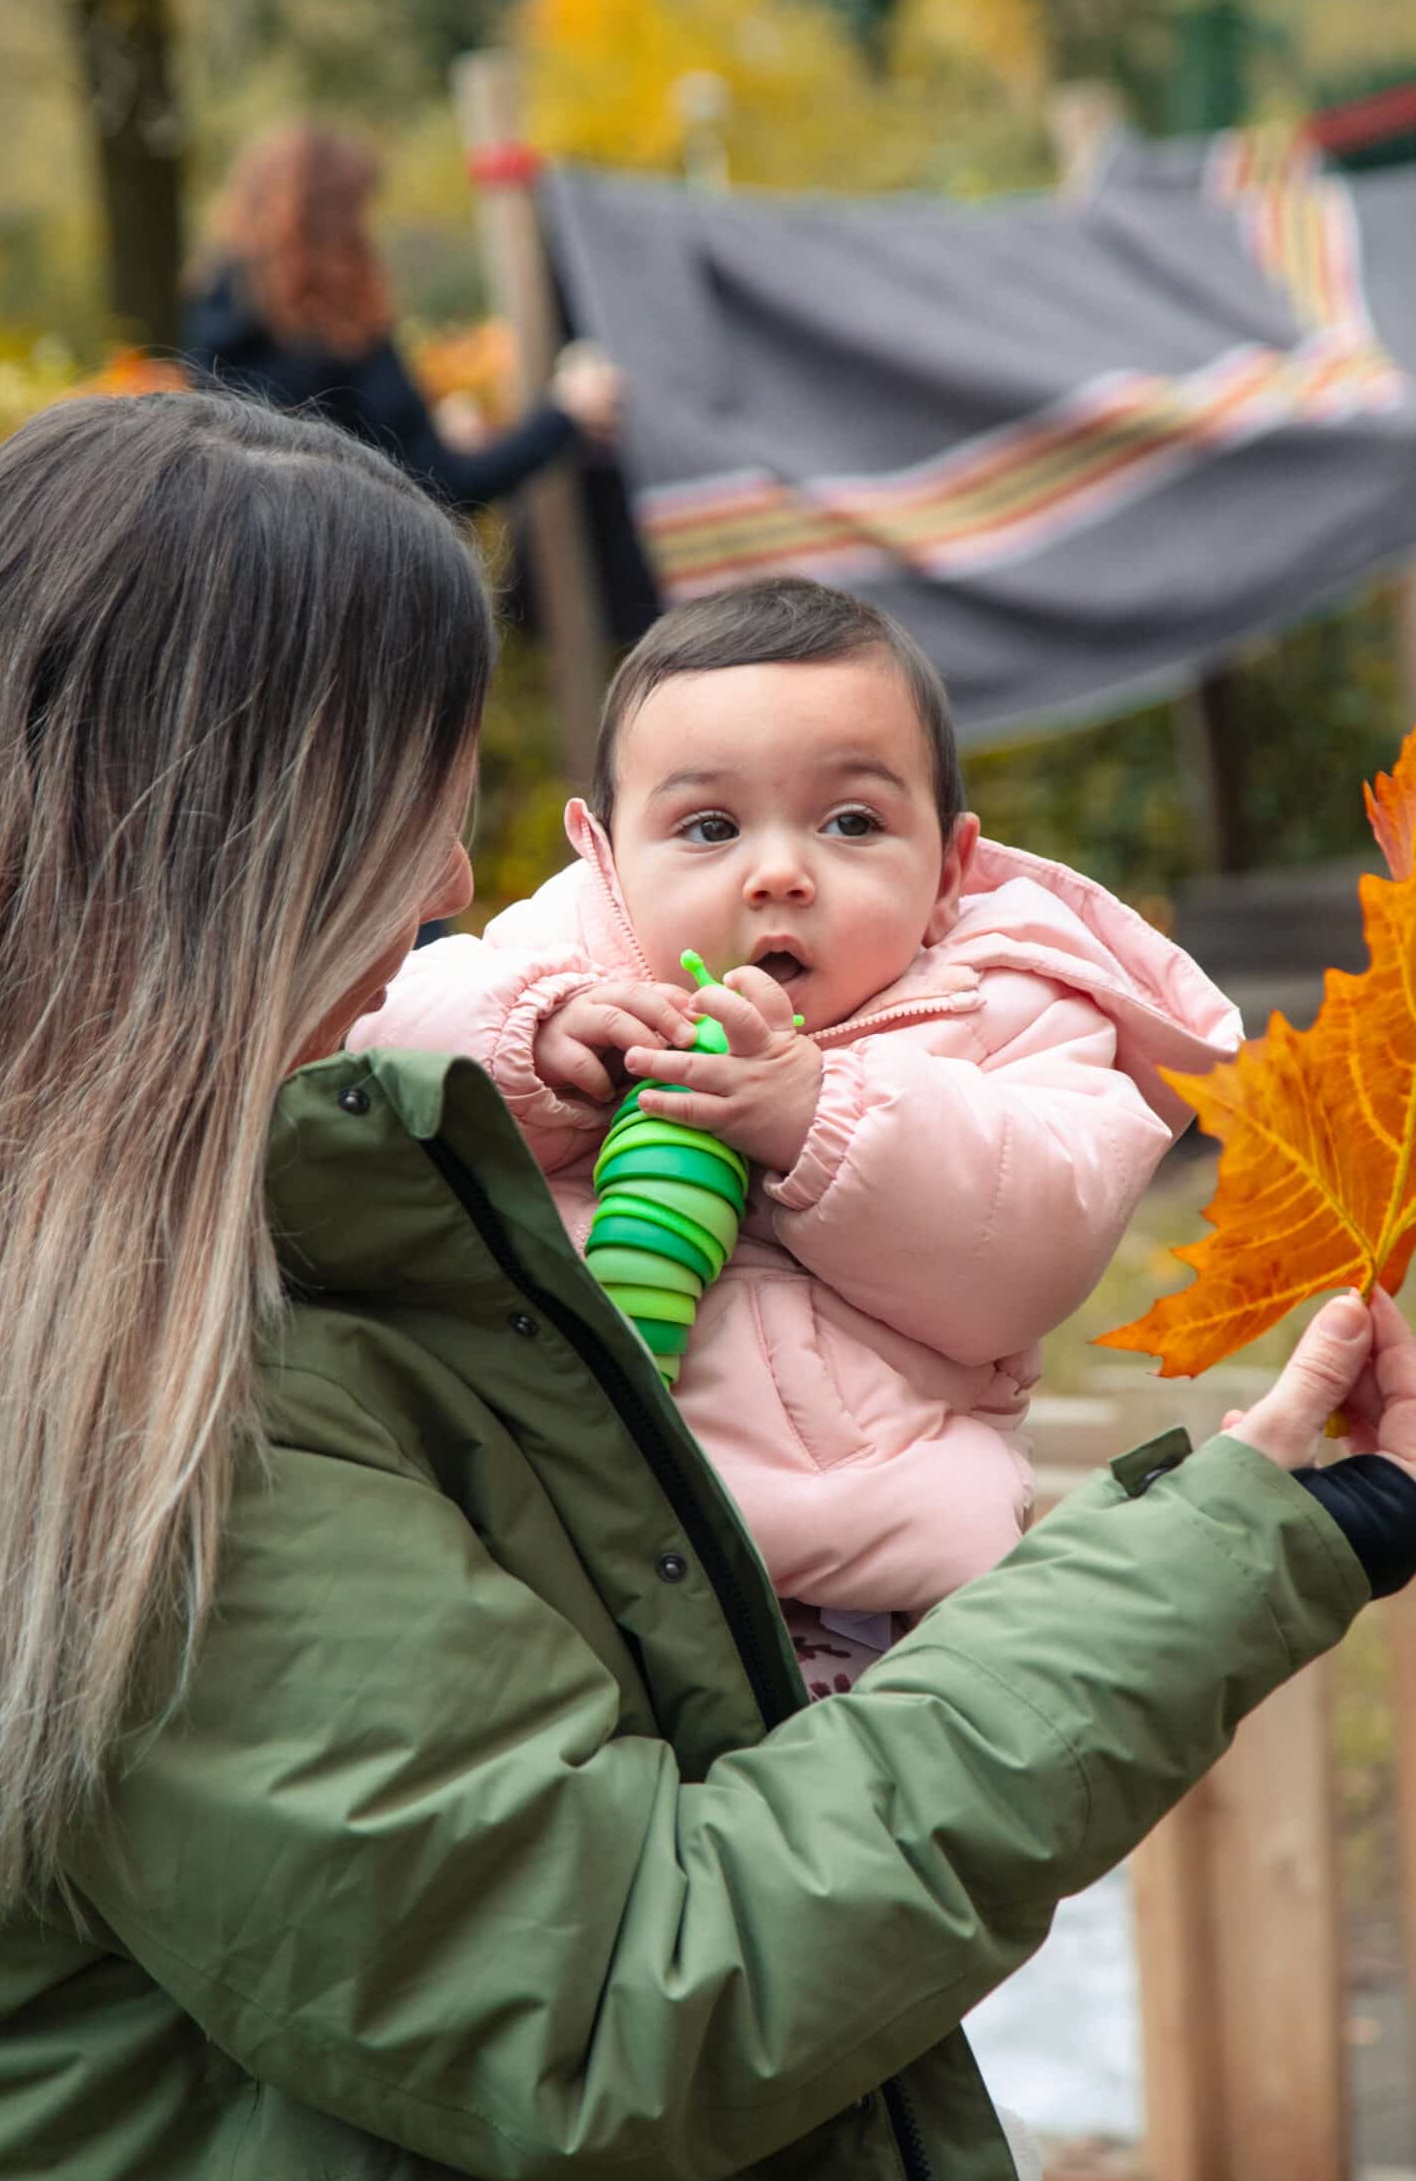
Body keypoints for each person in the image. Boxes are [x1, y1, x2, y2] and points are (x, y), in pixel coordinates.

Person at [0, 387, 1414, 2181]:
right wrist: (1251, 1529)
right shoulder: (119, 1412)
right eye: (409, 806)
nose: (451, 872)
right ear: (226, 842)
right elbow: (632, 1986)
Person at [355, 578, 1243, 1693]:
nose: (779, 872)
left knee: (877, 1784)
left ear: (949, 870)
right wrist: (535, 1044)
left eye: (851, 822)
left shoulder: (1010, 1009)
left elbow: (1029, 1244)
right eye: (710, 827)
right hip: (561, 1548)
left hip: (868, 1592)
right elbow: (374, 1060)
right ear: (606, 855)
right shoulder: (554, 963)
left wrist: (818, 1117)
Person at [182, 121, 621, 511]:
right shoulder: (341, 338)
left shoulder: (215, 325)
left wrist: (430, 441)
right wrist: (565, 416)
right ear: (332, 223)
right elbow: (440, 488)